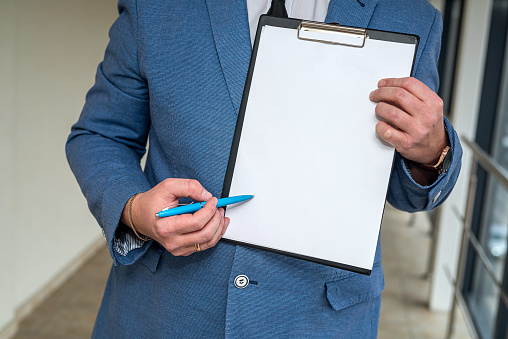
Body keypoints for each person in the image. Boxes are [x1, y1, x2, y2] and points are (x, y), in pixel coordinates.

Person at [66, 0, 462, 337]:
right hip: (163, 313)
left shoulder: (412, 18)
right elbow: (100, 133)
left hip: (318, 322)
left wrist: (432, 151)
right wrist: (135, 211)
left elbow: (406, 188)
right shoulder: (156, 7)